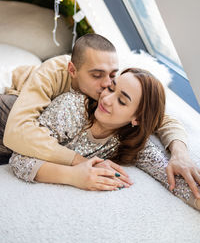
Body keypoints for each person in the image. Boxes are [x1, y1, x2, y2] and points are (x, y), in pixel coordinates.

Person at [1, 34, 200, 198]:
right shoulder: (61, 87)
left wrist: (180, 154)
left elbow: (159, 117)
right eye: (97, 76)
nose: (106, 86)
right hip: (12, 104)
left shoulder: (117, 99)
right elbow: (17, 134)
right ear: (73, 71)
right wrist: (77, 166)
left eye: (112, 76)